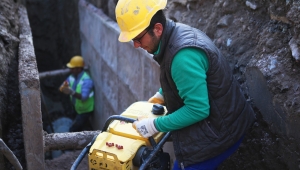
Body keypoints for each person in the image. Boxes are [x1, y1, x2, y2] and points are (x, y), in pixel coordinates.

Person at [115, 0, 256, 170]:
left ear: (157, 29)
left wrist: (154, 125)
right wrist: (162, 94)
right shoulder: (174, 34)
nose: (136, 45)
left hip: (221, 132)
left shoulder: (182, 55)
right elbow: (185, 79)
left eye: (138, 38)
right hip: (220, 123)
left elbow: (198, 109)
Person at [59, 56, 94, 132]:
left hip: (85, 111)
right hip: (77, 108)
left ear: (79, 69)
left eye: (72, 68)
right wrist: (63, 87)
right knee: (78, 125)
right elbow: (65, 84)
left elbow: (84, 97)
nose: (70, 70)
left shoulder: (86, 80)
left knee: (73, 130)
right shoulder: (72, 76)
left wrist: (71, 92)